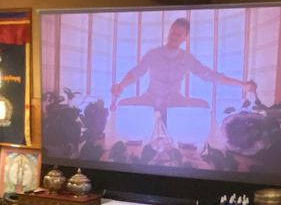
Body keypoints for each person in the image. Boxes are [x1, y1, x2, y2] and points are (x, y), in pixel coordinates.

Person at [110, 17, 256, 140]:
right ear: (169, 32)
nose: (174, 36)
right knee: (123, 104)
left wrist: (242, 84)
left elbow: (210, 75)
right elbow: (136, 72)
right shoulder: (153, 54)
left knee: (204, 105)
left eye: (179, 34)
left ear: (185, 38)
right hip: (150, 97)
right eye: (173, 32)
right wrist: (121, 85)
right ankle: (134, 143)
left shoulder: (188, 59)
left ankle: (186, 144)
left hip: (174, 100)